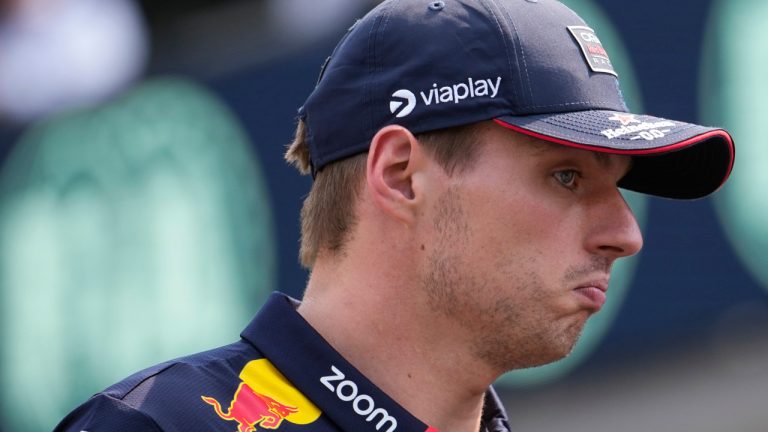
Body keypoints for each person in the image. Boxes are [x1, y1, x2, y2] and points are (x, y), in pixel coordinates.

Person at [54, 0, 735, 431]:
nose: (627, 234)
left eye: (617, 187)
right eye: (566, 176)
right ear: (400, 176)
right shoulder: (164, 425)